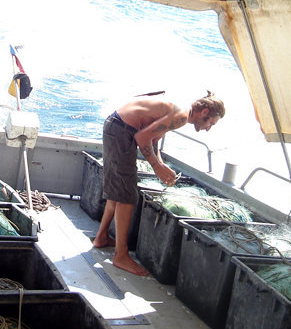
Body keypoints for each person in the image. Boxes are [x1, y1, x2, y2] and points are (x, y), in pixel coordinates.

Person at [93, 91, 225, 275]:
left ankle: (101, 237)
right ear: (204, 111)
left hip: (117, 127)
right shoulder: (180, 117)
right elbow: (142, 138)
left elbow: (153, 139)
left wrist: (160, 164)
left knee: (119, 189)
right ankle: (120, 255)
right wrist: (156, 167)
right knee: (127, 196)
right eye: (211, 122)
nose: (209, 128)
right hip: (122, 131)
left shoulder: (177, 112)